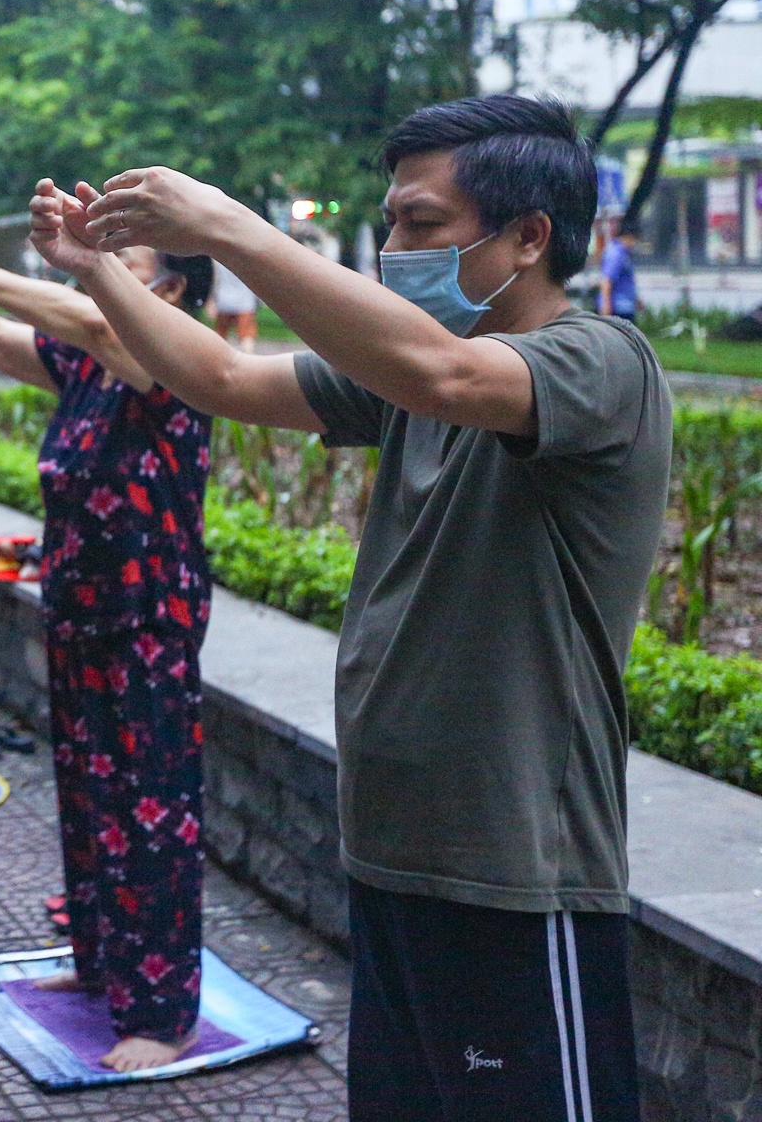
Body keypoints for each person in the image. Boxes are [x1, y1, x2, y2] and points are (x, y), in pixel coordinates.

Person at [54, 94, 667, 1119]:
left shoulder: (599, 365)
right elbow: (219, 375)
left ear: (530, 236)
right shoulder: (404, 385)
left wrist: (229, 228)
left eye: (420, 226)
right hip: (390, 849)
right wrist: (100, 272)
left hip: (518, 873)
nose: (393, 248)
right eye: (389, 222)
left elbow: (449, 370)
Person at [0, 236, 210, 1072]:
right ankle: (101, 964)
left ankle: (163, 1013)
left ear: (168, 291)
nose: (95, 273)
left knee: (149, 812)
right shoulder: (92, 366)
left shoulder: (170, 361)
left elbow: (95, 325)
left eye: (120, 263)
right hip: (80, 610)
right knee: (91, 799)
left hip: (145, 620)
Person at [208, 260, 259, 352]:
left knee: (221, 334)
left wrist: (212, 300)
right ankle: (248, 358)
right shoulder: (247, 259)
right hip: (245, 301)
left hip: (223, 300)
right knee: (246, 335)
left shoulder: (218, 259)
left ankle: (216, 358)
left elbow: (214, 279)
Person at [600, 220, 638, 324]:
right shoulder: (615, 253)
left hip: (626, 305)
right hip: (618, 307)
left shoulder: (624, 253)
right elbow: (606, 280)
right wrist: (606, 306)